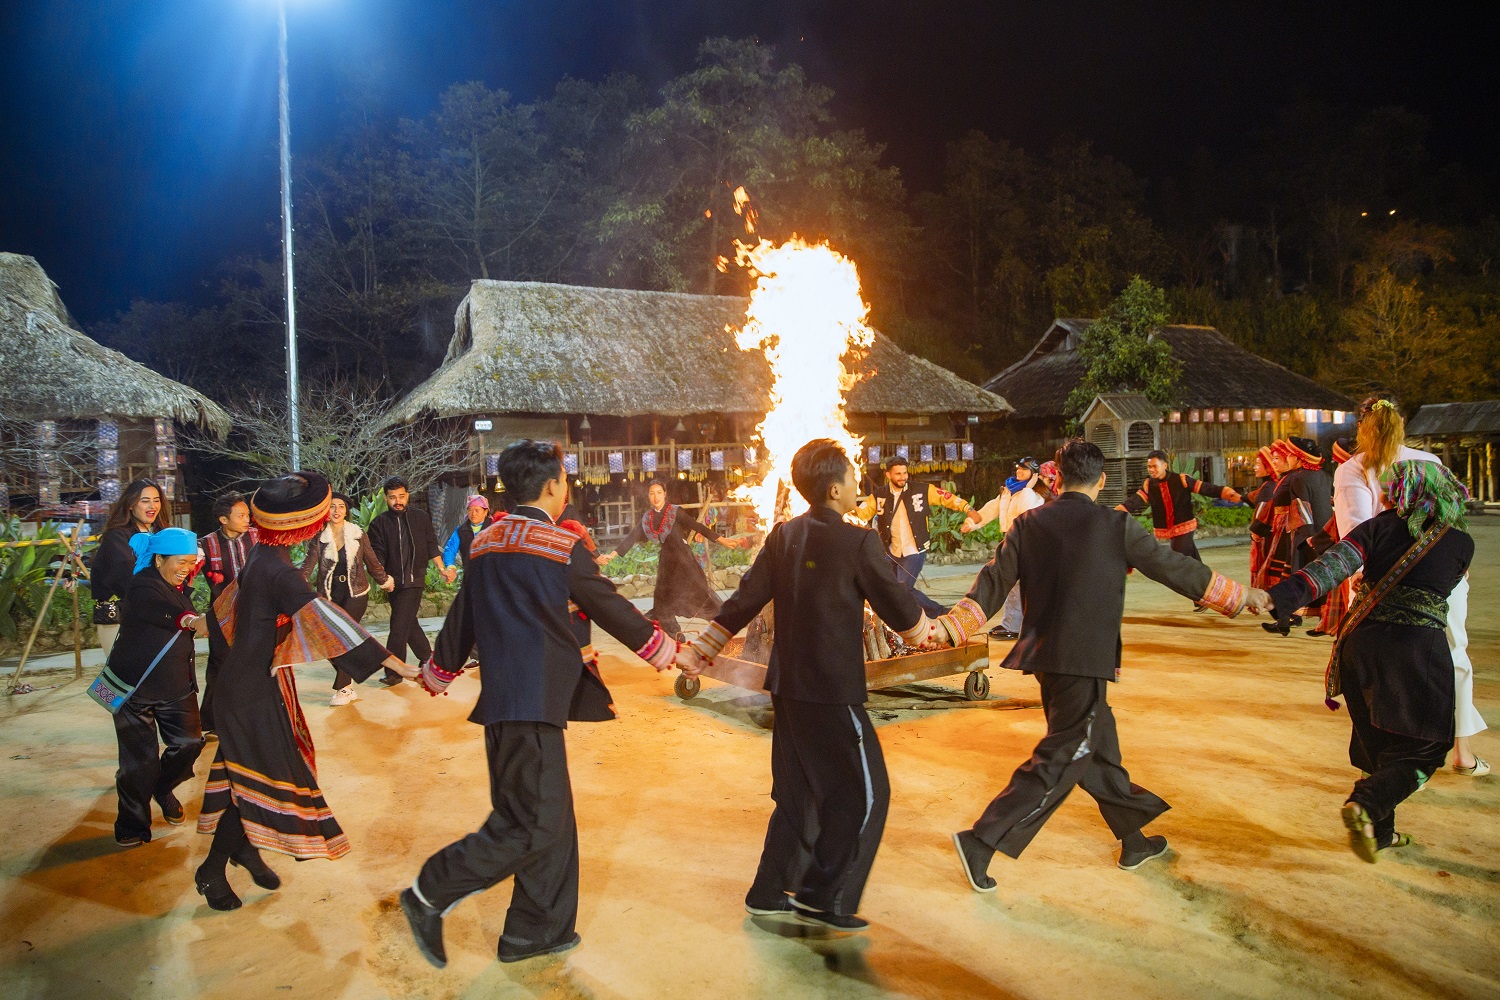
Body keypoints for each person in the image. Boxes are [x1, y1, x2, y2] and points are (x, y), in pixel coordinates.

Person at [399, 441, 680, 967]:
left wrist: (439, 670)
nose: (566, 488)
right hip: (531, 706)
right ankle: (429, 892)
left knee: (550, 820)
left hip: (511, 704)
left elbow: (463, 615)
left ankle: (535, 931)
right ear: (552, 486)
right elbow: (605, 601)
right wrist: (662, 648)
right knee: (531, 824)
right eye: (565, 481)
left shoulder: (486, 544)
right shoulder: (557, 544)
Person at [935, 440, 1259, 893]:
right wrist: (1240, 596)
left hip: (1046, 659)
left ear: (1057, 479)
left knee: (1099, 750)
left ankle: (1133, 841)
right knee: (1063, 755)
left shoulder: (1029, 523)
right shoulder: (1115, 524)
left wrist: (951, 626)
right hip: (1084, 659)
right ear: (1102, 481)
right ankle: (981, 841)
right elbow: (1172, 567)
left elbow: (992, 582)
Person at [680, 440, 937, 932]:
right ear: (835, 489)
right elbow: (897, 607)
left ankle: (768, 889)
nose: (860, 485)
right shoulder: (858, 541)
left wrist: (701, 651)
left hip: (787, 687)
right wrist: (926, 632)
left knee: (797, 794)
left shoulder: (782, 536)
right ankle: (824, 897)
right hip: (832, 690)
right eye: (854, 477)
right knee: (866, 794)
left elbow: (743, 600)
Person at [194, 472, 416, 912]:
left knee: (254, 774)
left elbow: (223, 612)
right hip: (248, 692)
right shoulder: (280, 572)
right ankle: (212, 868)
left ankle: (242, 849)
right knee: (266, 775)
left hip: (253, 684)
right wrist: (401, 667)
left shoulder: (262, 555)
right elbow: (334, 626)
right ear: (304, 527)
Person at [1264, 461, 1474, 860]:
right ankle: (1367, 803)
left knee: (1375, 743)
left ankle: (1380, 834)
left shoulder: (1375, 528)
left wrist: (1281, 598)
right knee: (1425, 747)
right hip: (1415, 652)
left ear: (1397, 493)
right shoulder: (1461, 542)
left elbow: (1330, 567)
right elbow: (1446, 583)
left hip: (1360, 646)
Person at [1333, 396, 1487, 777]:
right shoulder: (1429, 462)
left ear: (1360, 427)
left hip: (1379, 583)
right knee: (1453, 656)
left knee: (1378, 666)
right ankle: (1462, 753)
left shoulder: (1354, 469)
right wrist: (1456, 562)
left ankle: (1381, 762)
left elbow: (1356, 532)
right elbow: (1452, 516)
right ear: (1402, 422)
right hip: (1440, 577)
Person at [108, 528, 209, 847]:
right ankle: (132, 823)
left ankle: (162, 787)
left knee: (191, 743)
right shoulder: (142, 586)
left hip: (177, 685)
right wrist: (191, 621)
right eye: (181, 561)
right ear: (159, 558)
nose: (186, 568)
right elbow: (162, 609)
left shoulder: (179, 583)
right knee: (139, 762)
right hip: (133, 689)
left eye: (191, 562)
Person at [599, 481, 744, 641]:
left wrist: (721, 540)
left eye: (659, 492)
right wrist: (611, 555)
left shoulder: (675, 512)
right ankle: (676, 638)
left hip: (685, 561)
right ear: (648, 496)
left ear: (664, 494)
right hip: (667, 564)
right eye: (652, 493)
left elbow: (697, 526)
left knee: (701, 596)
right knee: (662, 602)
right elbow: (632, 536)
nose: (656, 496)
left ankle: (723, 627)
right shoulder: (648, 518)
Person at [1119, 451, 1242, 612]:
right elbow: (1135, 500)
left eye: (1154, 466)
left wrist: (1225, 492)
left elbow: (1205, 488)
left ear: (1164, 465)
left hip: (1184, 527)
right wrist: (1119, 511)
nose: (1151, 470)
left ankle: (1203, 596)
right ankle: (1217, 595)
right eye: (1149, 467)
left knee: (1180, 560)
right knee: (1193, 562)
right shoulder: (1149, 484)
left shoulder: (1181, 479)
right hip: (1169, 530)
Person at [303, 492, 395, 706]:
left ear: (346, 511)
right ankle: (352, 675)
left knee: (343, 638)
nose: (336, 511)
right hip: (329, 595)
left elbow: (371, 562)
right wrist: (294, 586)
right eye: (332, 506)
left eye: (341, 506)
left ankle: (343, 688)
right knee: (329, 642)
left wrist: (385, 581)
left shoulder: (357, 533)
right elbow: (307, 566)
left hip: (355, 593)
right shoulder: (319, 536)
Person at [869, 455, 979, 617]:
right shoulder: (880, 495)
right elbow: (861, 512)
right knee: (889, 589)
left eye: (905, 473)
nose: (903, 477)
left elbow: (946, 497)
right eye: (898, 474)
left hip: (914, 549)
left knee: (904, 589)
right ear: (888, 475)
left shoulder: (922, 489)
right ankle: (902, 619)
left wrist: (967, 508)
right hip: (891, 551)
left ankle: (942, 613)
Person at [366, 477, 444, 686]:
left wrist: (442, 568)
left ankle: (393, 672)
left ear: (407, 495)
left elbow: (431, 545)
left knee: (398, 625)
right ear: (386, 498)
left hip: (415, 579)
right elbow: (378, 553)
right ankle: (429, 660)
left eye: (401, 496)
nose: (397, 501)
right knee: (408, 623)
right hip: (393, 582)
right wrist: (382, 577)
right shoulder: (378, 524)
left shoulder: (421, 517)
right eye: (392, 498)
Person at [964, 457, 1047, 639]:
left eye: (1024, 469)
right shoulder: (1009, 492)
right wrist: (972, 523)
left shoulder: (1033, 495)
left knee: (1017, 584)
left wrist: (1028, 488)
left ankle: (1014, 625)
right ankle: (1016, 624)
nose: (1019, 471)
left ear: (1034, 474)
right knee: (1015, 584)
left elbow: (1027, 515)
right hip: (1011, 540)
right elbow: (990, 509)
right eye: (1018, 468)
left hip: (1029, 542)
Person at [90, 479, 171, 656]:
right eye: (145, 500)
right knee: (120, 678)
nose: (152, 506)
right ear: (131, 505)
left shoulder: (162, 534)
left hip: (155, 615)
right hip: (121, 618)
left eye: (156, 500)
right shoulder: (117, 537)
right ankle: (100, 687)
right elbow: (126, 577)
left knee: (153, 677)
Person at [198, 493, 257, 732]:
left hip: (254, 611)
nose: (247, 520)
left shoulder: (258, 538)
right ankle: (211, 722)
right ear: (223, 519)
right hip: (221, 615)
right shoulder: (205, 544)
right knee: (219, 666)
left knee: (254, 666)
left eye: (248, 515)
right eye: (241, 515)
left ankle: (250, 717)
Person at [1257, 437, 1334, 611]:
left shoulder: (1298, 479)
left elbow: (1301, 507)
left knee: (1301, 577)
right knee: (1323, 576)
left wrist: (1307, 537)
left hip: (1307, 534)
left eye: (1290, 455)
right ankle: (1290, 617)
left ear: (1299, 458)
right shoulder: (1324, 476)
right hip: (1326, 532)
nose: (1287, 458)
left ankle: (1285, 615)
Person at [1247, 446, 1281, 586]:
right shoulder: (1273, 485)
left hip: (1264, 539)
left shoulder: (1267, 487)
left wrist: (1254, 533)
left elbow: (1262, 515)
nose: (1254, 467)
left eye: (1257, 464)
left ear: (1268, 468)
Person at [441, 494, 492, 583]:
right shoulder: (461, 530)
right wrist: (450, 567)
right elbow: (450, 550)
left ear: (485, 511)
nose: (473, 514)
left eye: (477, 510)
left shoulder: (494, 528)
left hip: (492, 577)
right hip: (470, 576)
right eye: (470, 510)